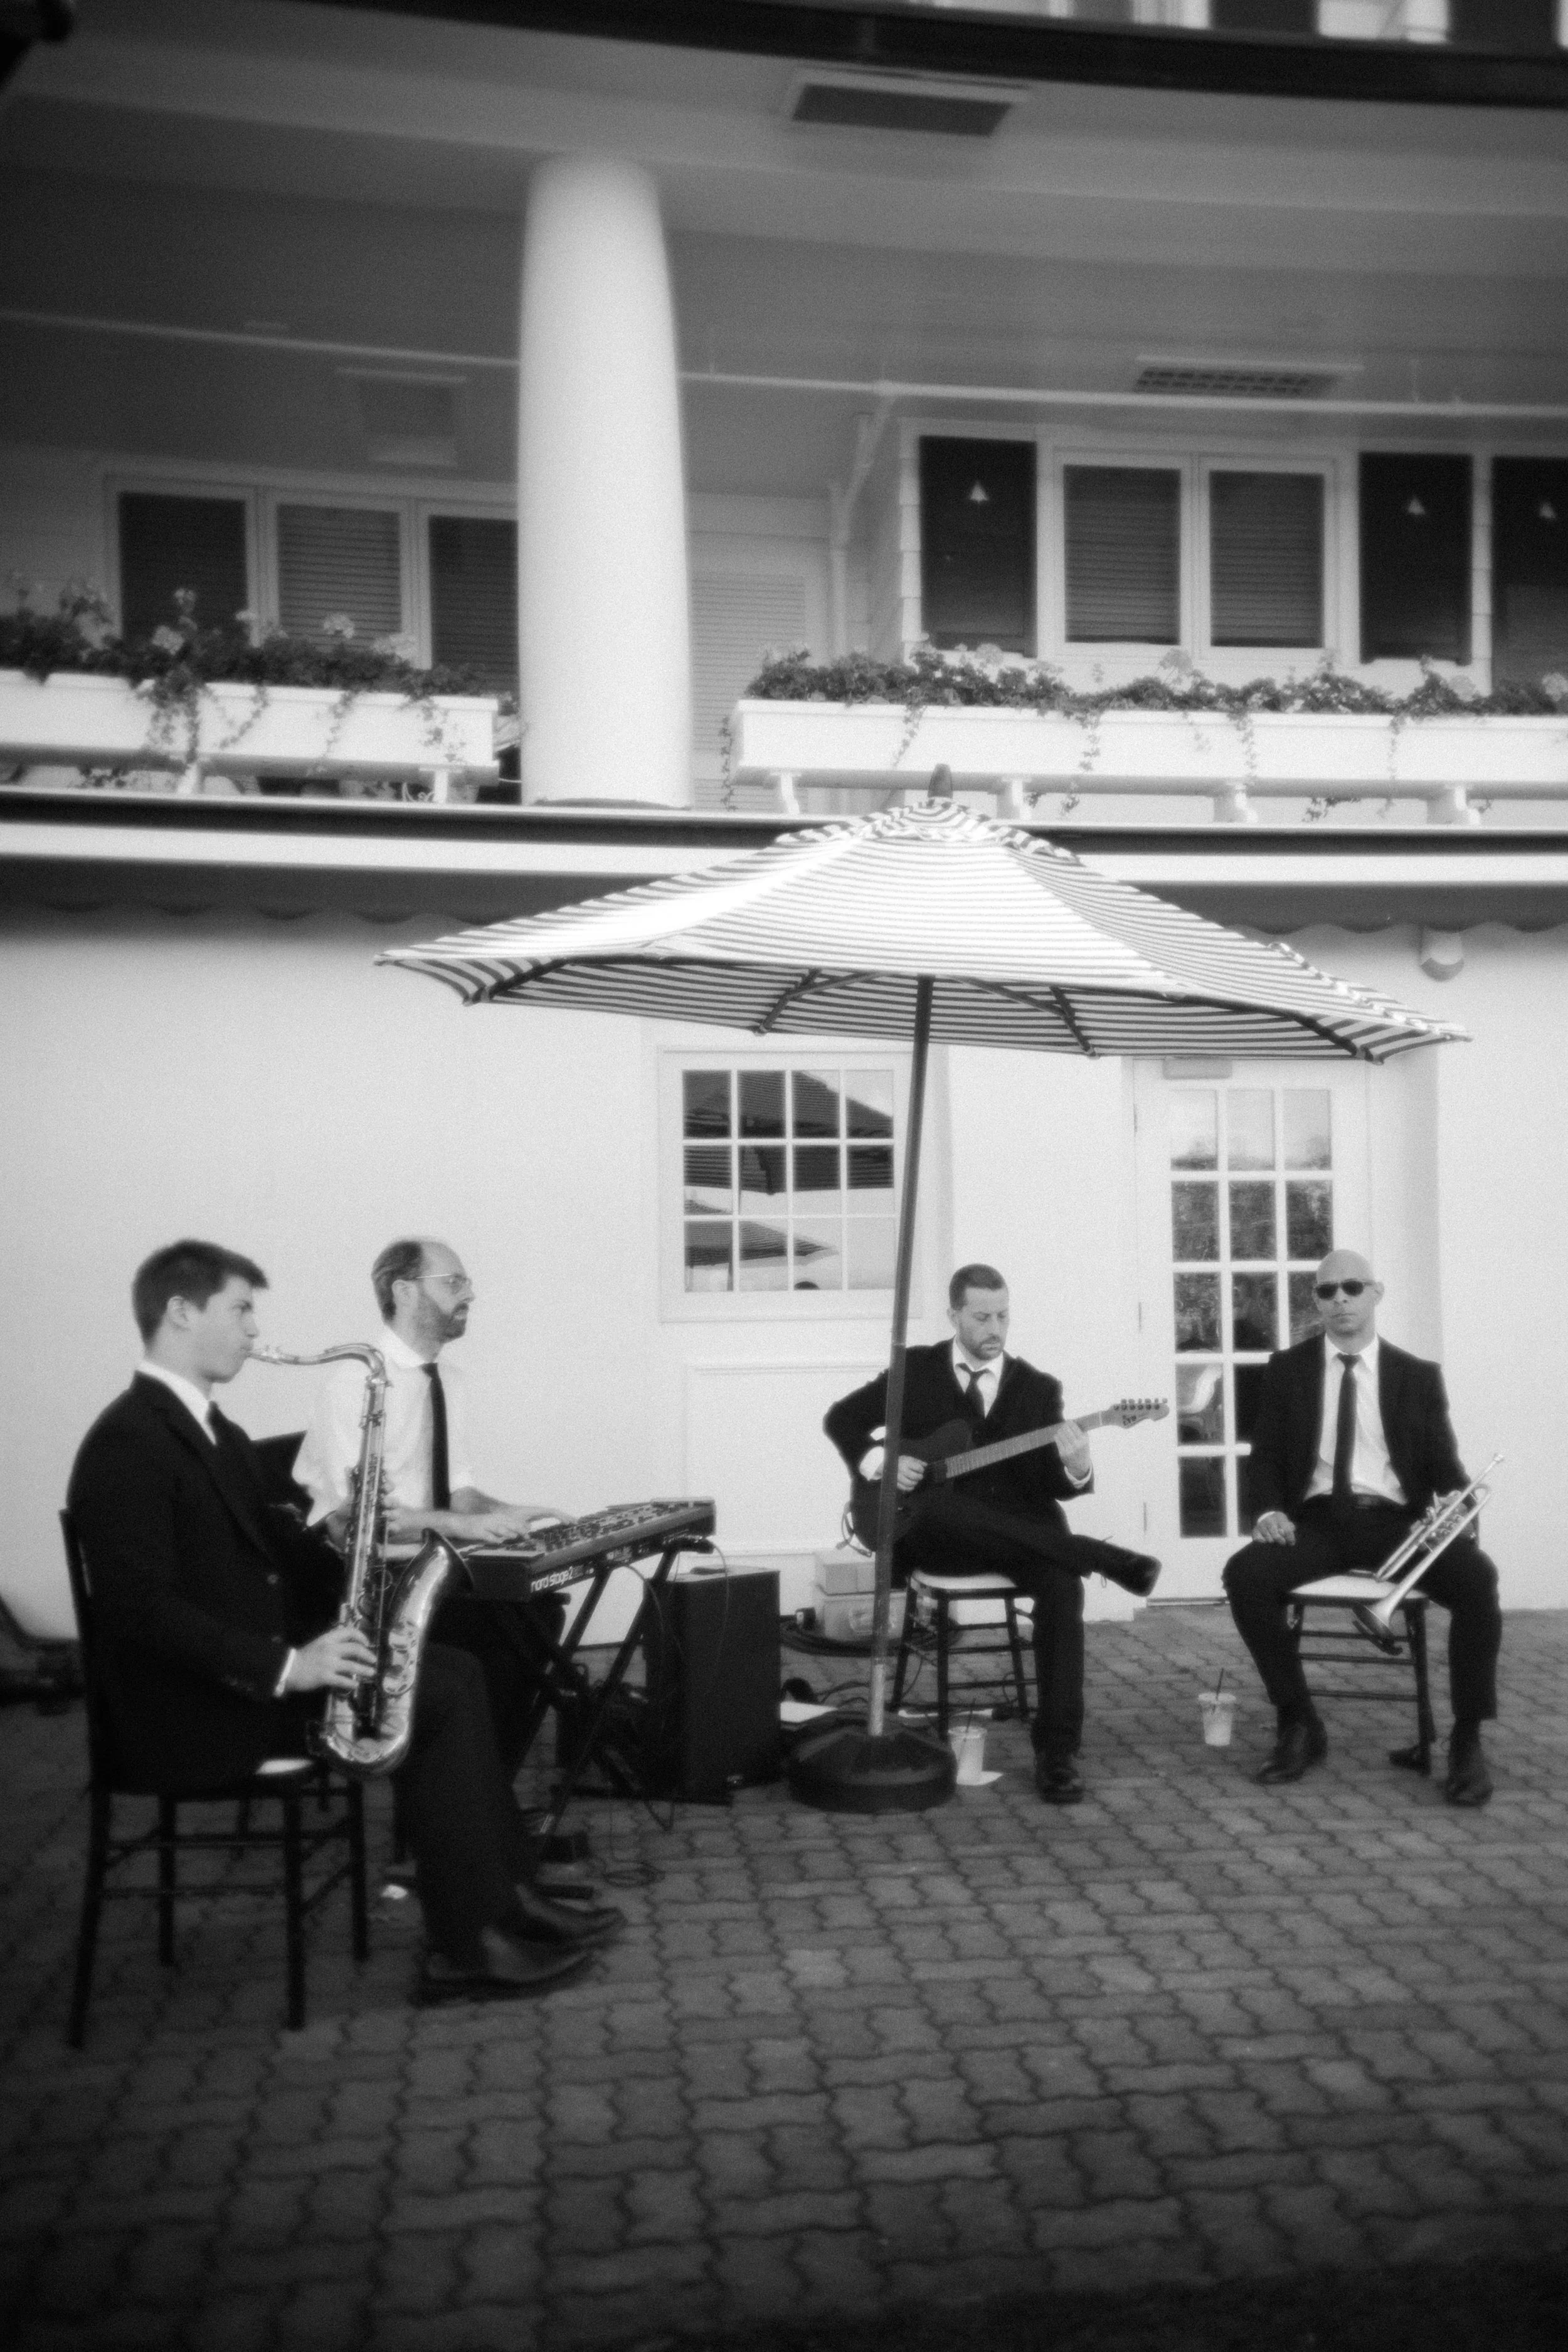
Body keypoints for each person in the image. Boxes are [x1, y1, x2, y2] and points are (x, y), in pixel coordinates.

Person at [67, 1240, 621, 2004]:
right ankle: (466, 1947)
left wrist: (341, 1625)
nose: (255, 1332)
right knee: (444, 1694)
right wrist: (292, 1665)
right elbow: (139, 1611)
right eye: (240, 1310)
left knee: (453, 1672)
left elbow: (259, 1565)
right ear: (181, 1312)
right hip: (199, 1710)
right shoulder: (129, 1444)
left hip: (244, 1677)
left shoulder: (208, 1431)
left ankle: (506, 1900)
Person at [824, 1263, 1160, 1805]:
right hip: (932, 1531)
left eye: (1003, 1316)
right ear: (953, 1314)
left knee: (1061, 1587)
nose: (994, 1328)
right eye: (981, 1317)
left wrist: (1077, 1466)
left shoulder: (1037, 1388)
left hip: (1022, 1535)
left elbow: (1050, 1483)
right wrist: (879, 1461)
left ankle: (1057, 1754)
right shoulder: (914, 1370)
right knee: (944, 1509)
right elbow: (842, 1420)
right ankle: (1099, 1555)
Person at [1222, 1249, 1502, 1806]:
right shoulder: (1288, 1369)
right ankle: (1299, 1721)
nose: (1340, 1299)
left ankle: (1467, 1739)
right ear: (1317, 1303)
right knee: (1245, 1575)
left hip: (1395, 1522)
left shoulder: (1416, 1377)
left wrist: (1456, 1504)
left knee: (1476, 1580)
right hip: (1318, 1523)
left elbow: (1443, 1464)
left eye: (1352, 1287)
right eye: (1327, 1291)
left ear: (1377, 1293)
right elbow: (1266, 1460)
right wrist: (1269, 1511)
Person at [295, 1237, 564, 1779]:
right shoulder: (354, 1383)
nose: (470, 1294)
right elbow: (357, 1515)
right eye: (454, 1283)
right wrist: (464, 1526)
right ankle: (461, 1797)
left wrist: (514, 1514)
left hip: (424, 1561)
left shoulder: (448, 1380)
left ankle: (484, 1787)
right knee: (499, 1635)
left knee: (537, 1613)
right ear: (404, 1291)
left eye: (466, 1283)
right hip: (366, 1578)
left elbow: (459, 1491)